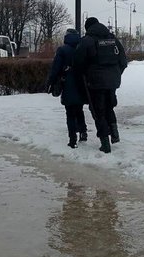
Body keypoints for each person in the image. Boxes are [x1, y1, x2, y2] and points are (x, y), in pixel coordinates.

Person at [73, 16, 127, 154]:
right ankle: (114, 133)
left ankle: (105, 143)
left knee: (98, 111)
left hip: (95, 82)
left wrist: (84, 77)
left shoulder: (87, 41)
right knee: (109, 107)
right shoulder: (113, 39)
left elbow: (77, 63)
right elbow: (123, 61)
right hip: (112, 81)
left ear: (87, 28)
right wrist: (115, 75)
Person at [47, 28, 89, 148]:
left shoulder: (62, 50)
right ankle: (83, 132)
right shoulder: (82, 48)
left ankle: (72, 140)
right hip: (81, 83)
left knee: (70, 112)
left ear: (66, 37)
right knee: (79, 109)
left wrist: (50, 82)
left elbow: (55, 68)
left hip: (68, 83)